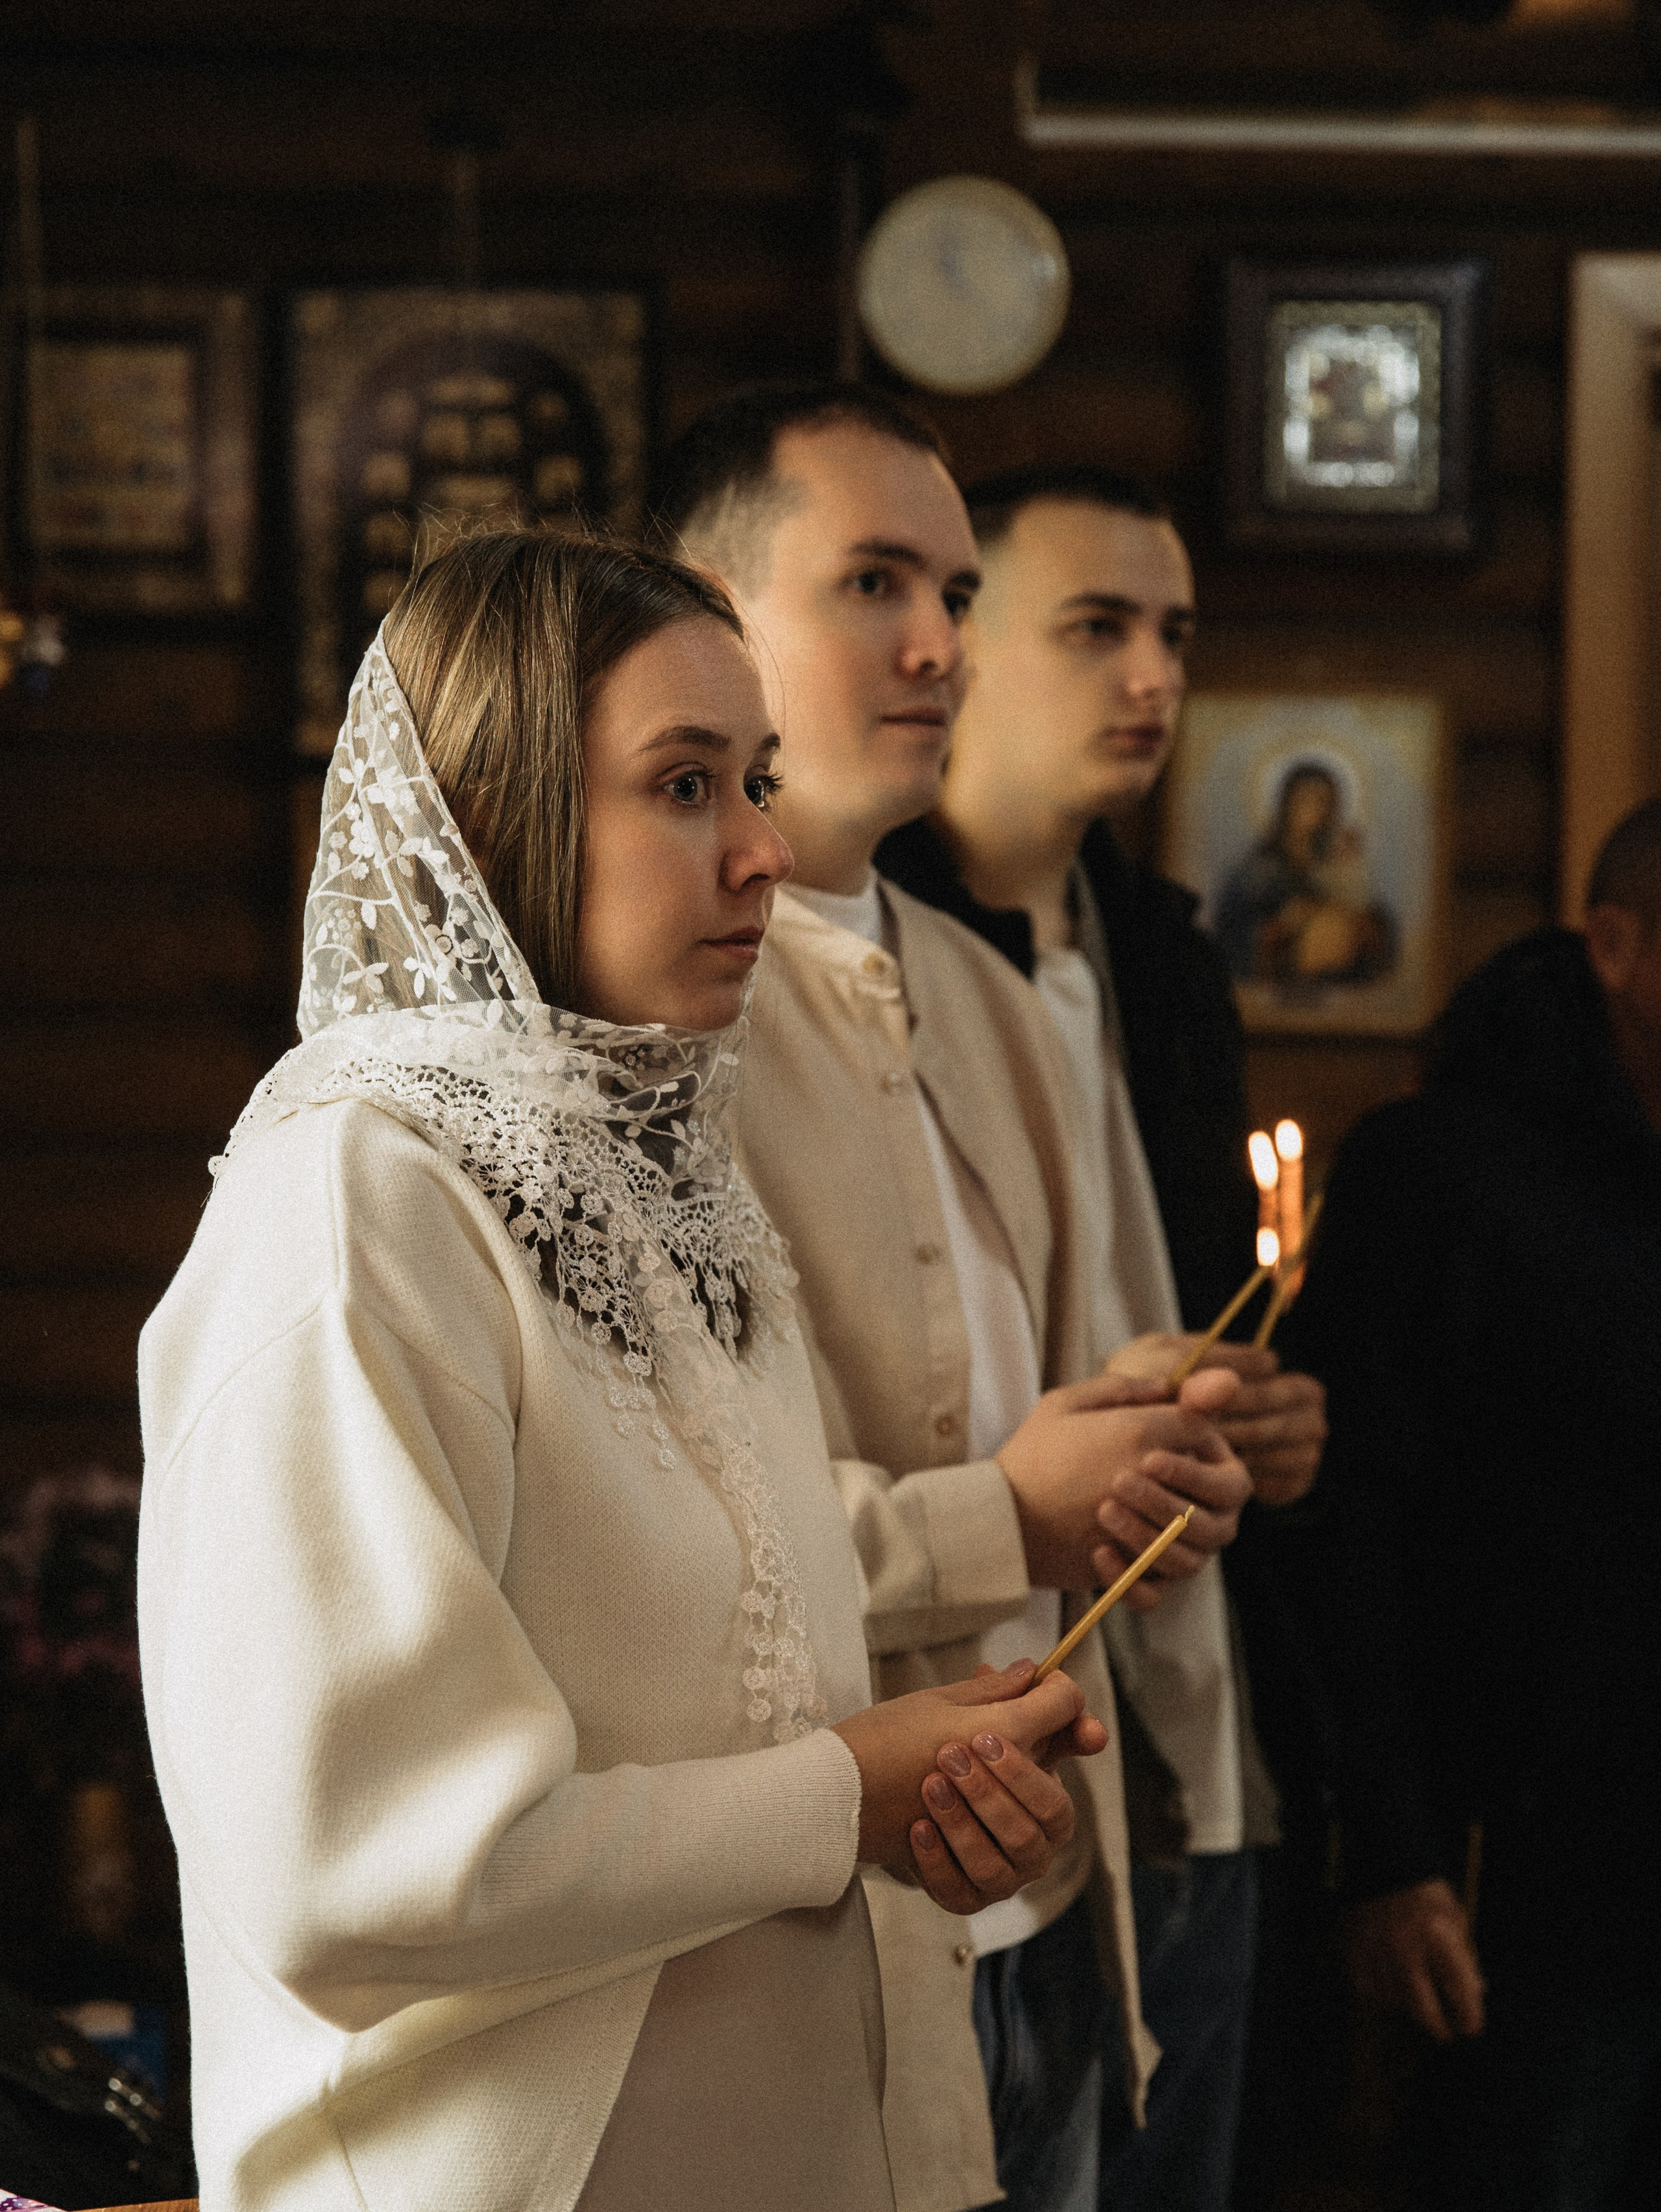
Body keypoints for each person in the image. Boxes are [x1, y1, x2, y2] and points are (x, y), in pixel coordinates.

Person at [135, 531, 1112, 2212]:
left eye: (760, 779)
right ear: (498, 813)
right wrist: (838, 1795)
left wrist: (920, 1783)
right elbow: (348, 1858)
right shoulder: (356, 1203)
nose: (766, 851)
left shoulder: (674, 1192)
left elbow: (749, 1709)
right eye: (683, 785)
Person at [657, 389, 1255, 2212]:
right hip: (803, 1919)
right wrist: (1010, 1507)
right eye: (874, 584)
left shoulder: (998, 995)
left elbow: (1073, 1414)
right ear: (708, 610)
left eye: (961, 588)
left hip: (1054, 1892)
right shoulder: (640, 1025)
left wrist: (1168, 1454)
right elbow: (665, 1536)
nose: (942, 644)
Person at [877, 463, 1329, 2212]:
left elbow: (1204, 1295)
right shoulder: (866, 945)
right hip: (970, 1717)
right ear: (961, 646)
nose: (1154, 677)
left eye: (1176, 635)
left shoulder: (1161, 953)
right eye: (1099, 628)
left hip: (1194, 1706)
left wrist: (1273, 1417)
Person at [1284, 795, 1661, 2212]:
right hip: (1518, 1876)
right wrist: (1388, 1852)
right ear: (1615, 946)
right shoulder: (1440, 1166)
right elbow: (1347, 1522)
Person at [1215, 757, 1396, 991]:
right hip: (1277, 978)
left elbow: (1371, 915)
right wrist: (1277, 929)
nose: (1312, 810)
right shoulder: (1260, 866)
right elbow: (1232, 926)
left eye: (1321, 802)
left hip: (1335, 983)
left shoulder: (1335, 861)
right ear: (1287, 803)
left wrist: (1363, 924)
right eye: (1304, 799)